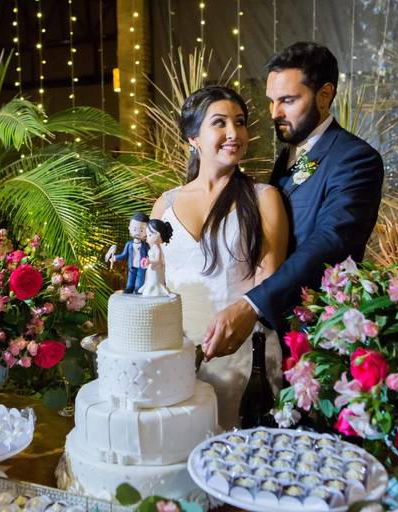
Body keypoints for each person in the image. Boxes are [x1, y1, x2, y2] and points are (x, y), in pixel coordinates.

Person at [202, 42, 385, 367]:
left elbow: (331, 242)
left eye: (287, 100)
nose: (275, 113)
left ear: (325, 95)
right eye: (272, 101)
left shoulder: (355, 159)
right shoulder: (287, 157)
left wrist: (253, 304)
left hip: (316, 335)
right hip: (273, 335)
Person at [150, 86, 289, 429]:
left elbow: (268, 280)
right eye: (220, 123)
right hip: (176, 356)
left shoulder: (264, 198)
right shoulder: (163, 205)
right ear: (193, 137)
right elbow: (155, 285)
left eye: (240, 123)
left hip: (241, 353)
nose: (234, 133)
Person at [109, 213, 149, 294]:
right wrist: (115, 258)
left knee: (140, 279)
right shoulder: (129, 244)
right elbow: (124, 254)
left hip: (142, 266)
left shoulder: (146, 246)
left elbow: (150, 255)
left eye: (142, 230)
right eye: (134, 229)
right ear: (129, 228)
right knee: (131, 278)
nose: (138, 233)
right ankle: (130, 287)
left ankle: (138, 289)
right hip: (132, 266)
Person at [138, 219, 174, 297]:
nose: (147, 238)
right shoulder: (153, 248)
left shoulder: (157, 248)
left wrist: (150, 261)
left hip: (156, 269)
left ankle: (154, 291)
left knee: (154, 281)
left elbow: (158, 260)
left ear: (158, 234)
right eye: (147, 235)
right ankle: (150, 290)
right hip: (152, 269)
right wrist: (148, 261)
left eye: (150, 235)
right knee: (149, 280)